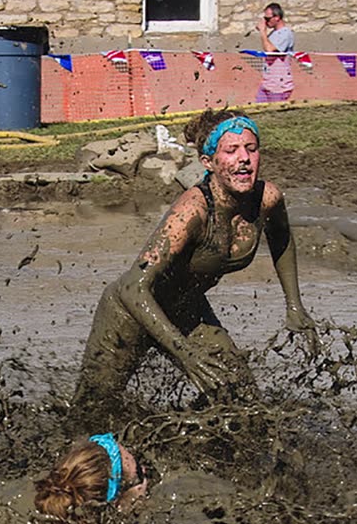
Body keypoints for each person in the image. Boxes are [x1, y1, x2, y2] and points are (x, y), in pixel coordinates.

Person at [73, 109, 314, 412]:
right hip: (130, 314)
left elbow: (282, 238)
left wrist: (295, 306)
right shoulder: (192, 212)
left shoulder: (267, 198)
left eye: (251, 149)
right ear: (208, 162)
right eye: (231, 151)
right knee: (91, 414)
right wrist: (183, 352)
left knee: (242, 402)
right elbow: (132, 288)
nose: (244, 159)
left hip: (187, 310)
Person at [254, 3, 295, 103]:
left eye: (267, 19)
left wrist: (263, 32)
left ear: (277, 17)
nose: (265, 22)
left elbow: (269, 50)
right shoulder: (274, 33)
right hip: (268, 82)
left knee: (274, 114)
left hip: (279, 85)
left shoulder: (285, 33)